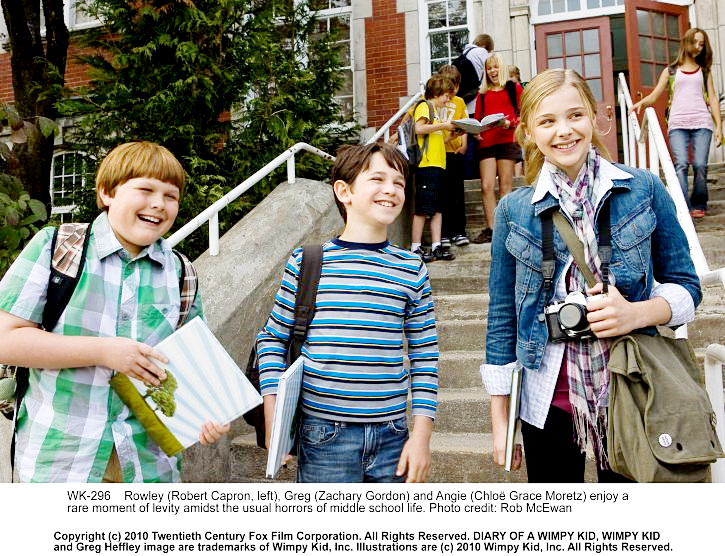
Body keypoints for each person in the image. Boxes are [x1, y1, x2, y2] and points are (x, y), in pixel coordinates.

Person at [482, 69, 701, 482]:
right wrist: (501, 419)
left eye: (575, 116)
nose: (564, 131)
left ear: (595, 118)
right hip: (546, 402)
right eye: (547, 121)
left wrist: (636, 314)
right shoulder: (514, 210)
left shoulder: (643, 188)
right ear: (527, 130)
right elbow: (501, 321)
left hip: (631, 392)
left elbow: (687, 288)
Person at [0, 141, 230, 483]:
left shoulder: (182, 273)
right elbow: (6, 340)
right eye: (146, 189)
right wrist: (105, 351)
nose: (159, 204)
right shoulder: (58, 248)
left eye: (171, 196)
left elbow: (191, 368)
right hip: (59, 462)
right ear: (107, 192)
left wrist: (207, 414)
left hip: (149, 469)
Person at [256, 142, 439, 483]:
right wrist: (273, 416)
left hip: (392, 435)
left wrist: (421, 436)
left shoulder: (411, 268)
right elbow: (271, 340)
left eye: (399, 183)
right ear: (345, 191)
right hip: (323, 435)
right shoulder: (309, 261)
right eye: (378, 179)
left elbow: (425, 355)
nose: (391, 190)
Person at [631, 28, 722, 219]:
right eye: (696, 42)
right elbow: (655, 95)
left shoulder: (704, 71)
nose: (699, 46)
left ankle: (699, 203)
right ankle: (683, 206)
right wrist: (641, 103)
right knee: (680, 164)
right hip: (678, 123)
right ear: (686, 43)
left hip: (702, 123)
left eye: (702, 43)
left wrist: (719, 126)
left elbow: (713, 98)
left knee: (699, 165)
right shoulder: (671, 70)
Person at [471, 53, 523, 244]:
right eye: (489, 68)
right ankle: (492, 229)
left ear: (501, 68)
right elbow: (477, 120)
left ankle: (506, 227)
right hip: (486, 142)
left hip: (506, 140)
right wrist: (475, 131)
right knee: (486, 186)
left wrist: (510, 123)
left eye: (495, 67)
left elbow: (524, 115)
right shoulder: (482, 94)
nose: (492, 71)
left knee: (506, 186)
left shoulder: (514, 88)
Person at [410, 73, 457, 262]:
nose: (447, 100)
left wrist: (451, 136)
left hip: (437, 164)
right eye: (446, 95)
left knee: (437, 207)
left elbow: (435, 139)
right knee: (423, 207)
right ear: (438, 93)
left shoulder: (435, 112)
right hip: (426, 164)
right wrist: (443, 125)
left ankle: (437, 246)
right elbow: (418, 129)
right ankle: (415, 247)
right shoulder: (424, 106)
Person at [437, 64, 470, 248]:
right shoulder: (435, 100)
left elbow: (464, 124)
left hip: (456, 153)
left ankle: (459, 232)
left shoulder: (460, 102)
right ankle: (444, 233)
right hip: (439, 153)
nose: (452, 89)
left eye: (454, 85)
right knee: (442, 195)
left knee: (457, 194)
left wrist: (464, 143)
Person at [509, 65, 525, 178]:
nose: (509, 79)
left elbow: (520, 105)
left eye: (511, 76)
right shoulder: (510, 88)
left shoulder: (517, 87)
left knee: (518, 149)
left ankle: (518, 175)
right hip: (513, 120)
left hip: (517, 120)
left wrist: (519, 117)